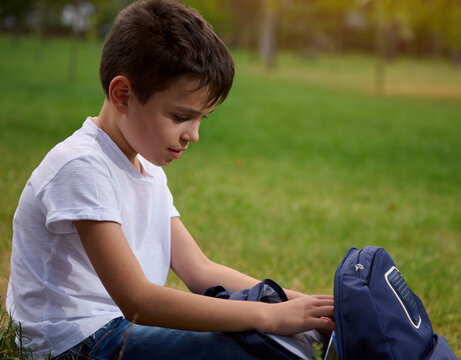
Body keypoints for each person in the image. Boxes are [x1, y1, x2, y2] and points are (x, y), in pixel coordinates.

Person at [6, 0, 335, 359]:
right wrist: (269, 316)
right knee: (258, 349)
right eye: (181, 116)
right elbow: (139, 302)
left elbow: (200, 271)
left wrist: (306, 307)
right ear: (123, 95)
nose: (192, 135)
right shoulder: (81, 165)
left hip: (120, 327)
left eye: (201, 120)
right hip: (75, 342)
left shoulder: (146, 168)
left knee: (285, 339)